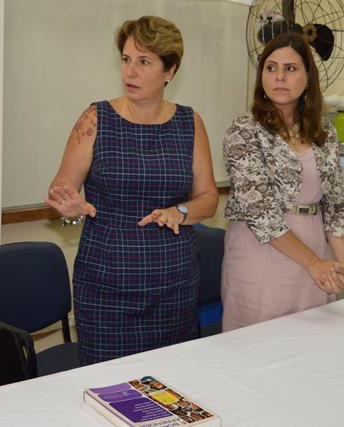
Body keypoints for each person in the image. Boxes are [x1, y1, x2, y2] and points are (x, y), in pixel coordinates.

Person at [46, 16, 218, 365]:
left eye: (144, 62)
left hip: (174, 288)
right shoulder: (96, 119)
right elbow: (61, 188)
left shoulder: (190, 122)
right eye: (126, 60)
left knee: (173, 387)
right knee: (108, 390)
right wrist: (68, 207)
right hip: (107, 288)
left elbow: (209, 198)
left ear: (170, 70)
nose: (130, 72)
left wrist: (180, 212)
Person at [221, 32, 344, 331]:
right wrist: (314, 264)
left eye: (290, 69)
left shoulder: (324, 132)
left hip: (313, 248)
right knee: (257, 349)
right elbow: (261, 213)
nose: (279, 77)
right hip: (260, 254)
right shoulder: (244, 130)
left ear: (309, 77)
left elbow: (334, 204)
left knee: (310, 348)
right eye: (271, 68)